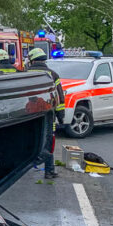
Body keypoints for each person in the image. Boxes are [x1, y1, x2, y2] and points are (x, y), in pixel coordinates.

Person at [27, 47, 65, 179]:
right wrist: (61, 115)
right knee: (48, 141)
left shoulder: (25, 73)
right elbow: (59, 96)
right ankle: (49, 171)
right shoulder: (53, 74)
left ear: (31, 60)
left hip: (29, 114)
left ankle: (22, 169)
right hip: (48, 114)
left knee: (28, 139)